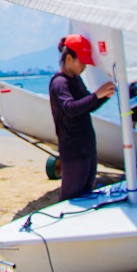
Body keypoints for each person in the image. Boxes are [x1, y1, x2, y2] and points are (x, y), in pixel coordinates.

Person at [48, 34, 116, 200]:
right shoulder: (59, 83)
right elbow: (70, 108)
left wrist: (105, 96)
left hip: (87, 147)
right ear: (69, 58)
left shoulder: (76, 79)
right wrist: (96, 95)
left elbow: (87, 107)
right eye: (82, 61)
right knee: (71, 197)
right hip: (73, 150)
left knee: (86, 196)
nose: (85, 66)